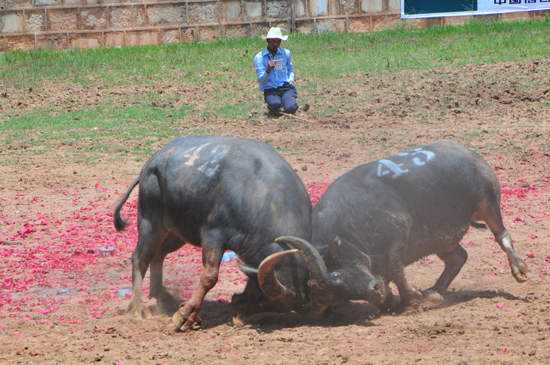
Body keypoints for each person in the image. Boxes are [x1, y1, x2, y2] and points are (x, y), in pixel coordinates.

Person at [254, 27, 298, 116]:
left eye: (278, 42)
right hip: (270, 88)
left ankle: (286, 101)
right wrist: (267, 70)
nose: (276, 44)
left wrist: (291, 80)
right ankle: (276, 103)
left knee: (291, 108)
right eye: (273, 41)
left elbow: (290, 69)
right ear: (268, 41)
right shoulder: (259, 58)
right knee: (274, 105)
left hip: (285, 86)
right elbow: (261, 81)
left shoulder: (286, 53)